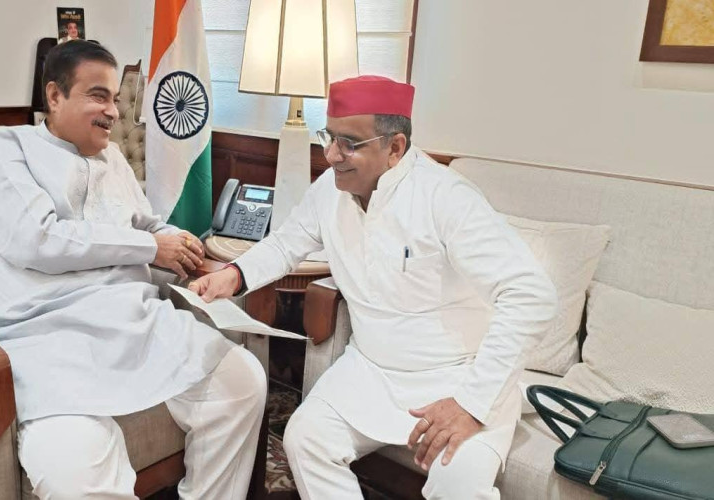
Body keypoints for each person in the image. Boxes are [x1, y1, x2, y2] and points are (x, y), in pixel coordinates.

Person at [189, 75, 558, 499]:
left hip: (457, 376)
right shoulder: (330, 189)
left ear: (395, 147)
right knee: (305, 439)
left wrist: (472, 404)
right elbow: (287, 242)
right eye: (329, 136)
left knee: (458, 483)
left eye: (348, 143)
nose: (331, 155)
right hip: (370, 370)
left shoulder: (447, 197)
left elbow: (531, 295)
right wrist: (234, 275)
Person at [0, 40, 266, 499]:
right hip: (47, 334)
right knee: (73, 471)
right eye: (98, 96)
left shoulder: (113, 159)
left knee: (243, 382)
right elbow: (37, 238)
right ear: (55, 96)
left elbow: (147, 224)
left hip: (134, 321)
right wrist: (151, 247)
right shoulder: (9, 146)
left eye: (116, 99)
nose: (113, 112)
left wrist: (180, 241)